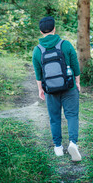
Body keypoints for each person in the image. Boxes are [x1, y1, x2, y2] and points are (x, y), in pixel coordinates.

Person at [32, 16, 81, 161]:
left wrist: (40, 89)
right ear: (54, 29)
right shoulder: (65, 45)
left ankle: (58, 147)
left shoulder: (37, 50)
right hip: (68, 87)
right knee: (72, 115)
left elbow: (38, 74)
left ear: (41, 32)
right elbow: (75, 65)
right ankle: (73, 143)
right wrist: (77, 82)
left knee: (54, 118)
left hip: (50, 90)